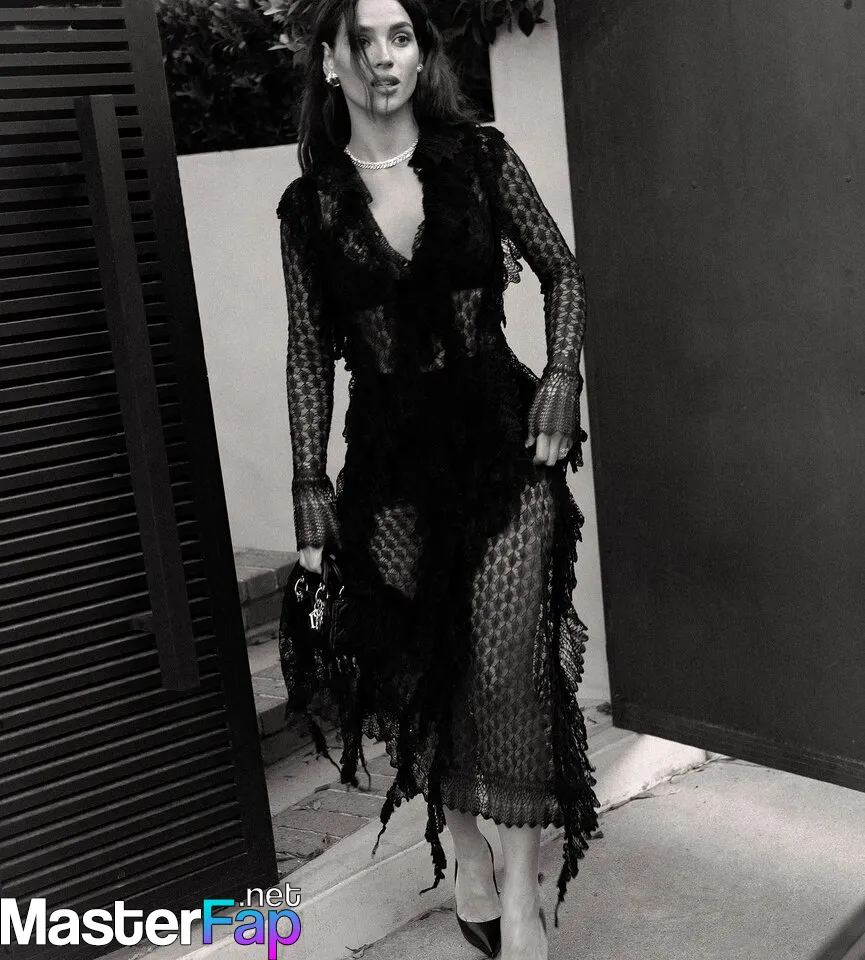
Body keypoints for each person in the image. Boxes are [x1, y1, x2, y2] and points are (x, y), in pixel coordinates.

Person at [277, 0, 600, 956]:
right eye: (363, 40)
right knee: (419, 669)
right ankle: (465, 850)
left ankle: (521, 893)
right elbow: (308, 352)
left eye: (402, 37)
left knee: (508, 667)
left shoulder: (480, 157)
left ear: (422, 56)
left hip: (503, 448)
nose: (385, 57)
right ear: (329, 62)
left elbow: (563, 272)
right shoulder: (310, 205)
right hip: (387, 470)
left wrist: (560, 382)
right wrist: (308, 487)